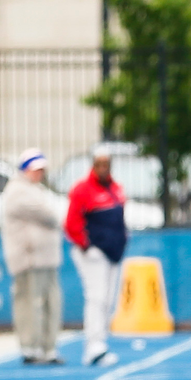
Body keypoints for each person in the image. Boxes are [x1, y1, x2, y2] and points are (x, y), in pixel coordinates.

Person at [65, 147, 127, 366]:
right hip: (94, 252)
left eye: (106, 163)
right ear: (93, 164)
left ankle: (101, 341)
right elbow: (71, 223)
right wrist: (86, 245)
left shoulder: (116, 189)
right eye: (99, 163)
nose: (103, 167)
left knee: (108, 299)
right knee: (96, 297)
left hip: (113, 253)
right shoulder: (82, 189)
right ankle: (93, 345)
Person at [2, 148, 64, 365]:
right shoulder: (17, 190)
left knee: (51, 303)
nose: (40, 173)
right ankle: (30, 347)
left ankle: (49, 347)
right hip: (28, 258)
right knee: (29, 303)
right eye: (36, 169)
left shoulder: (36, 190)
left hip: (47, 257)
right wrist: (54, 215)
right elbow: (47, 215)